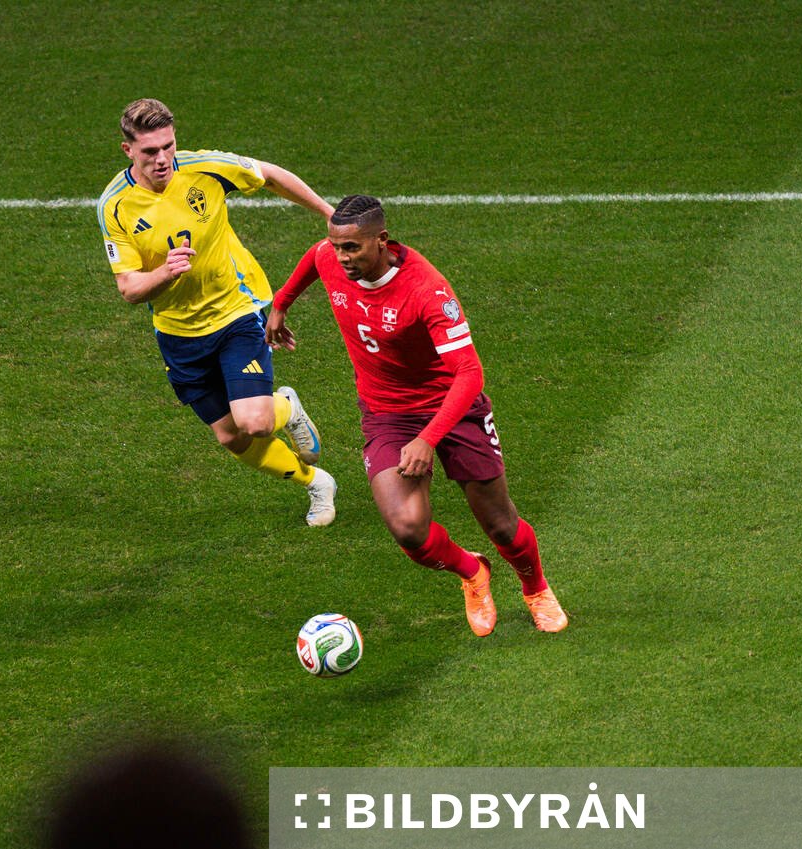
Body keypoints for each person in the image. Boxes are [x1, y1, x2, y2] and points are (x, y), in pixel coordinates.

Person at [266, 195, 568, 633]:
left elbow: (470, 374)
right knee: (409, 529)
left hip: (452, 407)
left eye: (352, 248)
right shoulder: (331, 258)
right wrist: (281, 303)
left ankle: (535, 588)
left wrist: (428, 439)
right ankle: (472, 572)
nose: (342, 257)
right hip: (387, 413)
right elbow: (315, 257)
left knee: (501, 525)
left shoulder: (426, 290)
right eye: (337, 246)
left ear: (382, 240)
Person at [97, 98, 340, 527]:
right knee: (230, 436)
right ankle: (317, 483)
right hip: (177, 332)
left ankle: (283, 408)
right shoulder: (114, 205)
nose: (162, 159)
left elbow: (269, 175)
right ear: (127, 150)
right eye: (150, 151)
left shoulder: (205, 168)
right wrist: (165, 272)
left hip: (235, 310)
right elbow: (129, 288)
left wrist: (329, 215)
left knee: (255, 422)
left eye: (168, 146)